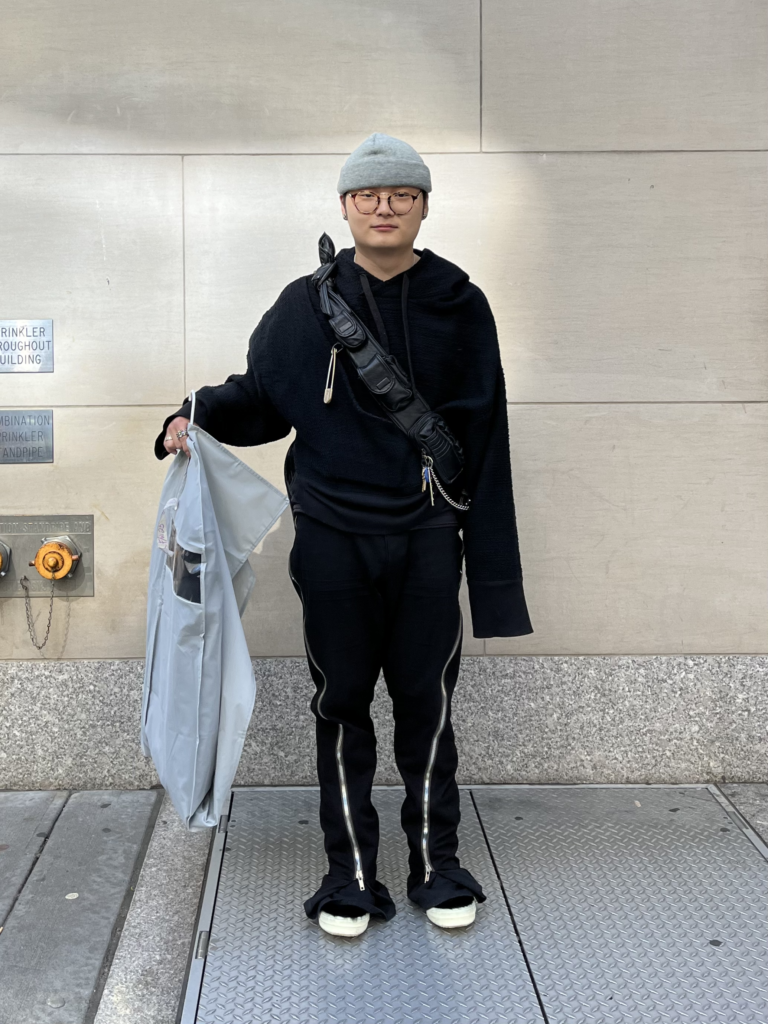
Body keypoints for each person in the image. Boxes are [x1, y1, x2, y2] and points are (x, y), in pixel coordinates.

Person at [155, 132, 533, 938]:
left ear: (424, 206)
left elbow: (489, 436)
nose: (385, 206)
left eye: (402, 193)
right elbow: (260, 395)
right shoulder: (305, 303)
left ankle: (437, 865)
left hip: (429, 533)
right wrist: (193, 415)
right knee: (342, 702)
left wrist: (495, 573)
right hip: (331, 536)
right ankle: (350, 874)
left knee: (427, 704)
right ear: (346, 206)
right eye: (369, 194)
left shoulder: (461, 303)